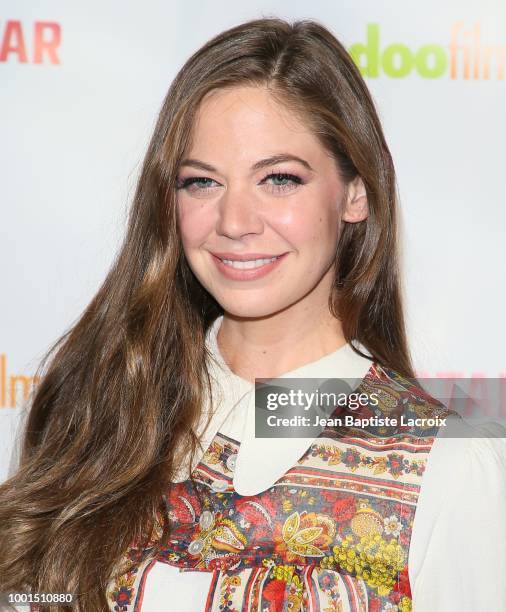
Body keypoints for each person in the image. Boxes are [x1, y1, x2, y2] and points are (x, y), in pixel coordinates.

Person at [1, 16, 504, 612]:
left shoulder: (448, 464)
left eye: (279, 179)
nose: (235, 221)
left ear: (356, 192)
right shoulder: (86, 411)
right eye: (202, 182)